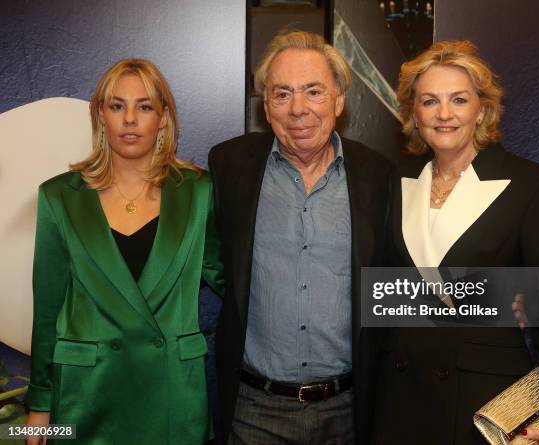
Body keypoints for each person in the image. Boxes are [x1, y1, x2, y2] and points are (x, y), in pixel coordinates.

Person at [371, 41, 539, 444]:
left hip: (481, 398)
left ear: (482, 109)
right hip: (399, 393)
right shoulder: (393, 181)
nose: (444, 114)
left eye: (459, 99)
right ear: (413, 114)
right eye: (429, 101)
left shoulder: (531, 185)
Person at [25, 59, 223, 444]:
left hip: (171, 394)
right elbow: (47, 310)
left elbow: (234, 281)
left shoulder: (199, 193)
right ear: (100, 114)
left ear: (164, 118)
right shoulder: (60, 196)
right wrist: (39, 404)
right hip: (87, 393)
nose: (130, 119)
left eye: (144, 107)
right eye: (117, 106)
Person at [208, 31, 393, 445]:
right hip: (254, 409)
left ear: (339, 100)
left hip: (349, 411)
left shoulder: (379, 176)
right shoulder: (229, 166)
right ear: (266, 106)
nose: (298, 109)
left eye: (313, 91)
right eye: (282, 94)